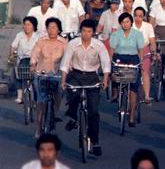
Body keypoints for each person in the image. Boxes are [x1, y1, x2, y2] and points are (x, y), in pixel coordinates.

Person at [60, 19, 110, 157]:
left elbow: (105, 63)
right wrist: (63, 80)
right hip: (75, 76)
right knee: (73, 97)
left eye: (89, 31)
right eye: (83, 31)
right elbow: (65, 62)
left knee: (93, 111)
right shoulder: (73, 44)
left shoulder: (99, 45)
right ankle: (73, 118)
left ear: (93, 33)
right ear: (80, 31)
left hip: (92, 77)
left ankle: (95, 142)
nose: (86, 34)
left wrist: (105, 80)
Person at [30, 18, 67, 139]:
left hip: (57, 75)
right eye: (49, 27)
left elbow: (68, 58)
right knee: (41, 102)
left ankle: (54, 114)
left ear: (59, 29)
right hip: (42, 74)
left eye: (54, 27)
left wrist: (68, 68)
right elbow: (35, 53)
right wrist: (33, 64)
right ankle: (39, 127)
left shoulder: (64, 43)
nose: (51, 30)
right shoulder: (41, 41)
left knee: (59, 93)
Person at [109, 13, 145, 127]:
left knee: (133, 87)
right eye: (123, 22)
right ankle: (117, 95)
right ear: (120, 23)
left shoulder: (137, 34)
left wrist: (141, 62)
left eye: (127, 22)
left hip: (133, 59)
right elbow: (112, 49)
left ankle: (131, 115)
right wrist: (110, 61)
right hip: (119, 58)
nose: (125, 24)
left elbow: (141, 50)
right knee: (116, 79)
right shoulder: (115, 34)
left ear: (131, 22)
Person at [11, 17, 40, 103]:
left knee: (36, 78)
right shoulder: (20, 35)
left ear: (33, 26)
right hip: (22, 59)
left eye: (28, 25)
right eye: (25, 25)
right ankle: (20, 96)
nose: (26, 27)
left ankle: (36, 97)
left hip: (35, 60)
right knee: (17, 72)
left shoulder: (38, 37)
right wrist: (12, 54)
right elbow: (13, 46)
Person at [133, 7, 157, 103]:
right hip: (133, 50)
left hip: (145, 48)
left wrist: (153, 52)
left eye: (140, 16)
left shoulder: (148, 26)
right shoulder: (130, 25)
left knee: (145, 71)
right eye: (136, 16)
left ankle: (147, 96)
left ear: (143, 17)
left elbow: (152, 41)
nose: (138, 18)